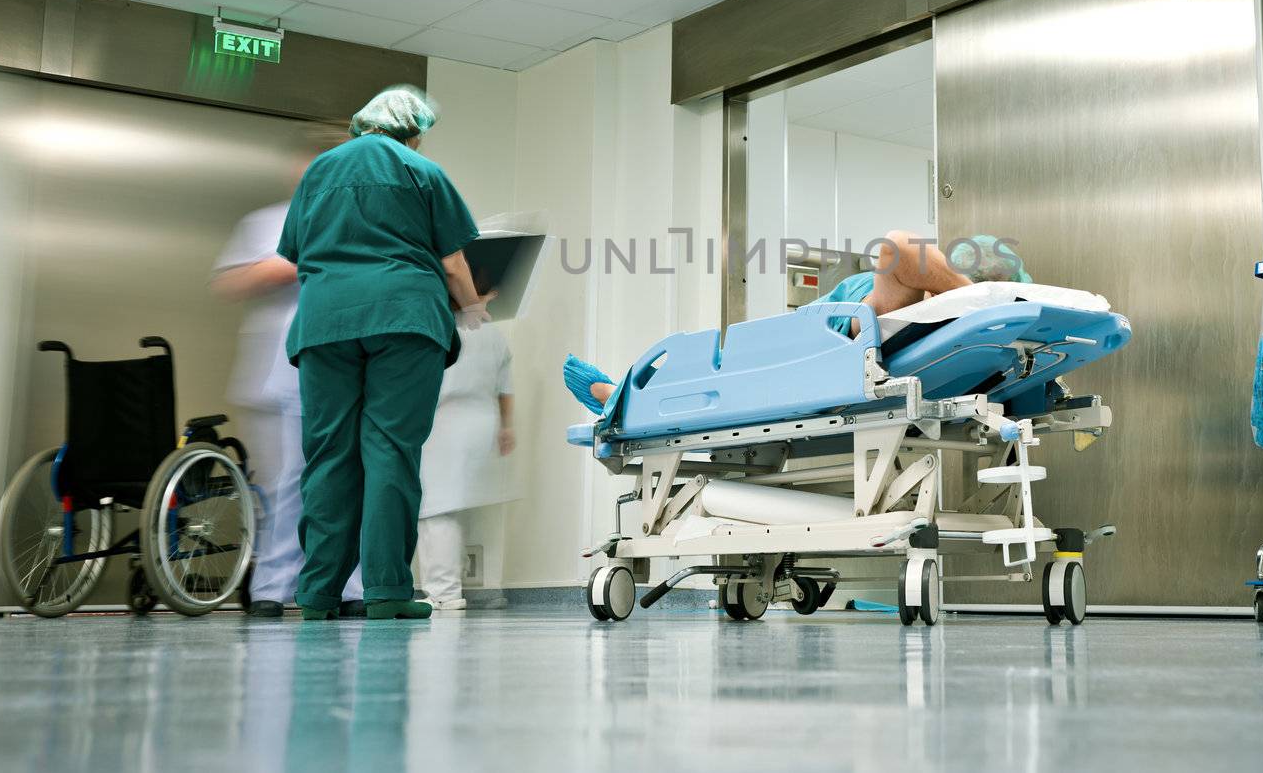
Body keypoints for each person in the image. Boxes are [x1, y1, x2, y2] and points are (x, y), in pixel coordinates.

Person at [278, 86, 489, 621]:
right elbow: (453, 264)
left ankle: (319, 592)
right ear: (413, 131)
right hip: (404, 319)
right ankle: (388, 592)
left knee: (329, 455)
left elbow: (295, 252)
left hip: (326, 323)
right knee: (390, 450)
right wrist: (473, 308)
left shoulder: (319, 172)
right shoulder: (422, 171)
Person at [562, 231, 1030, 415]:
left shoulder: (982, 330)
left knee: (727, 363)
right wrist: (968, 294)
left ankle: (619, 396)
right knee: (723, 363)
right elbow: (898, 251)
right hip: (823, 334)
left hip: (845, 338)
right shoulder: (893, 290)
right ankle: (619, 396)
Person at [211, 130, 365, 617]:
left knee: (352, 477)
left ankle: (351, 587)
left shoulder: (364, 223)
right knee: (289, 481)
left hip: (348, 365)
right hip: (282, 370)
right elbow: (230, 282)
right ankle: (272, 588)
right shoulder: (268, 221)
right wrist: (291, 262)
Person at [416, 304, 515, 610]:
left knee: (436, 510)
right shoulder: (494, 333)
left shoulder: (432, 324)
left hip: (442, 421)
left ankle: (444, 593)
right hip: (484, 422)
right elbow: (505, 388)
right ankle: (482, 588)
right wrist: (507, 427)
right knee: (457, 510)